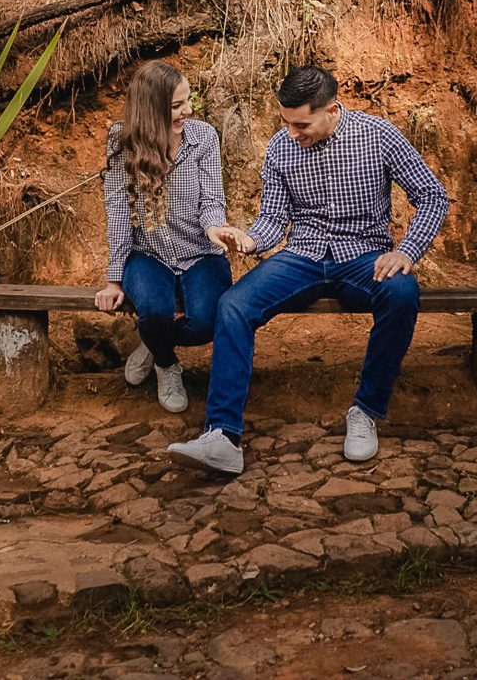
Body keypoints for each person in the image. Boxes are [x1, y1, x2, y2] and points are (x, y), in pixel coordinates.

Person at [166, 65, 450, 475]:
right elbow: (273, 219)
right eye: (286, 123)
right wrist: (250, 240)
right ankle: (222, 435)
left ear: (332, 110)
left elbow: (432, 195)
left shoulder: (379, 136)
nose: (291, 133)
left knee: (402, 293)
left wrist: (407, 250)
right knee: (233, 305)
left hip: (363, 256)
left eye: (301, 124)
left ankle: (366, 411)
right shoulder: (282, 147)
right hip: (302, 256)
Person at [95, 60, 249, 414]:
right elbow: (118, 212)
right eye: (177, 105)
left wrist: (215, 227)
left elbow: (212, 200)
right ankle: (167, 364)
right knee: (153, 311)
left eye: (188, 100)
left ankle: (153, 343)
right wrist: (114, 280)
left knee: (210, 320)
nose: (188, 110)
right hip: (147, 253)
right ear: (152, 109)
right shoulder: (123, 141)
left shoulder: (204, 137)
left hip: (199, 252)